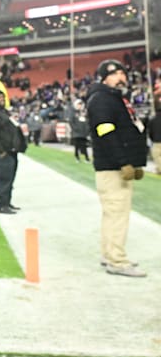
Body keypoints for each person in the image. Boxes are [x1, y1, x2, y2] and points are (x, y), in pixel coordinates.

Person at [86, 59, 147, 278]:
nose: (122, 78)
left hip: (114, 165)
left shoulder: (112, 98)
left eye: (123, 73)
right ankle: (117, 260)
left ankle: (109, 254)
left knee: (112, 214)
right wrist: (123, 161)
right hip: (112, 168)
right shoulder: (102, 99)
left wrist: (134, 161)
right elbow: (106, 133)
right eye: (116, 74)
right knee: (117, 215)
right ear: (105, 77)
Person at [0, 90, 26, 214]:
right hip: (2, 152)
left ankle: (7, 202)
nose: (2, 99)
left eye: (3, 97)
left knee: (9, 178)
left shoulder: (3, 111)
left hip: (10, 150)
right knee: (3, 179)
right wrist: (0, 151)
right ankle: (2, 205)